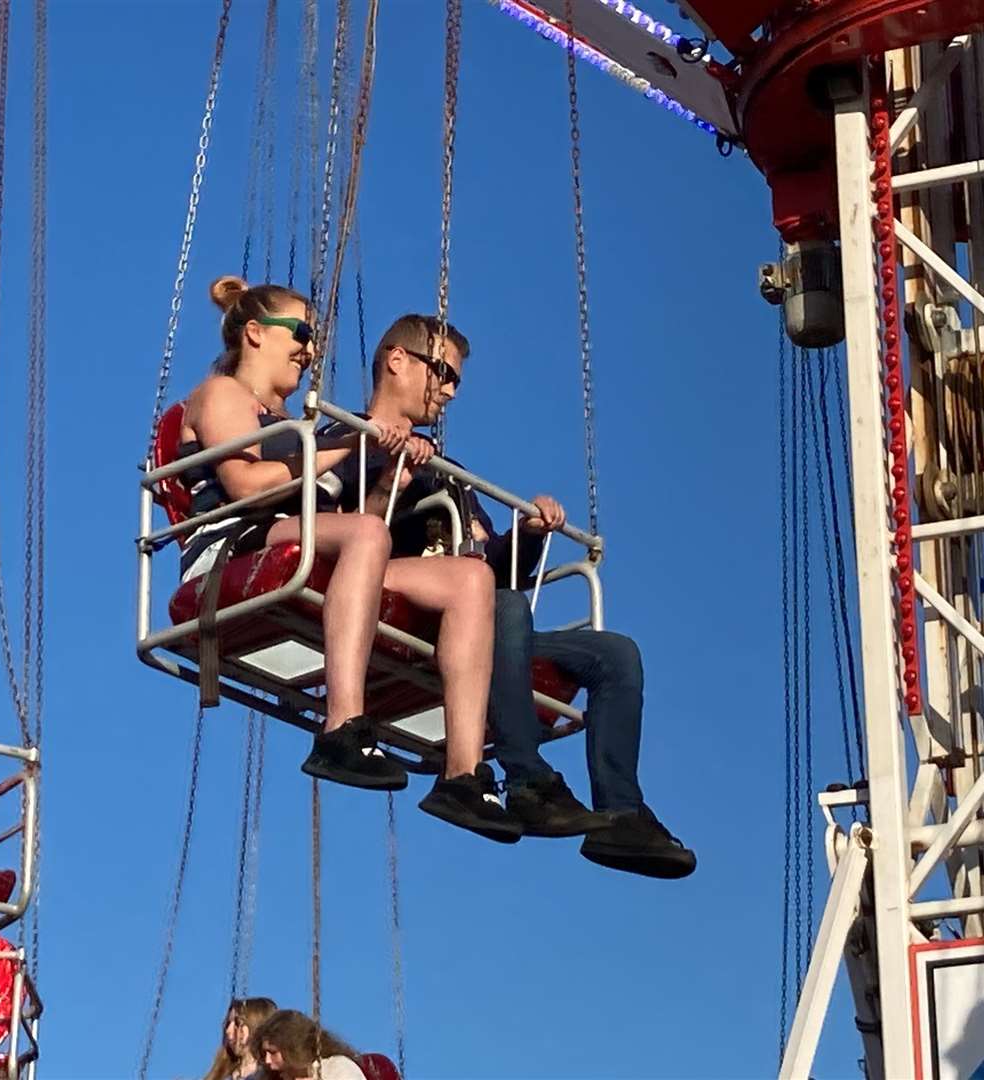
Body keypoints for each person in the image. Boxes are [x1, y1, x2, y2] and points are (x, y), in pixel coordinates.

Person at [339, 313, 695, 878]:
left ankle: (622, 814)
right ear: (397, 361)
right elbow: (343, 539)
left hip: (485, 616)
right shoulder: (346, 437)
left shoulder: (448, 470)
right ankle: (526, 777)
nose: (450, 390)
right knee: (498, 604)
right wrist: (390, 477)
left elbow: (496, 569)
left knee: (614, 653)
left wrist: (526, 538)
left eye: (457, 380)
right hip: (410, 611)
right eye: (443, 372)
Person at [179, 278, 515, 842]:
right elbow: (245, 484)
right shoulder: (222, 396)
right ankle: (342, 727)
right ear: (255, 334)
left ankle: (462, 773)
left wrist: (391, 479)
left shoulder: (304, 423)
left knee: (471, 579)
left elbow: (353, 518)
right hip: (235, 542)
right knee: (361, 536)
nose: (310, 349)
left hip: (302, 538)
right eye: (302, 332)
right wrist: (353, 443)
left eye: (315, 338)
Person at [250, 1009, 366, 1080]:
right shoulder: (266, 1075)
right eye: (264, 1053)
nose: (267, 1060)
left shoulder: (338, 1068)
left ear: (294, 1049)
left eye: (273, 1052)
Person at [203, 997, 278, 1080]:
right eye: (228, 1024)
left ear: (256, 1025)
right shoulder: (222, 1075)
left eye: (237, 1023)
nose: (228, 1030)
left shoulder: (276, 1074)